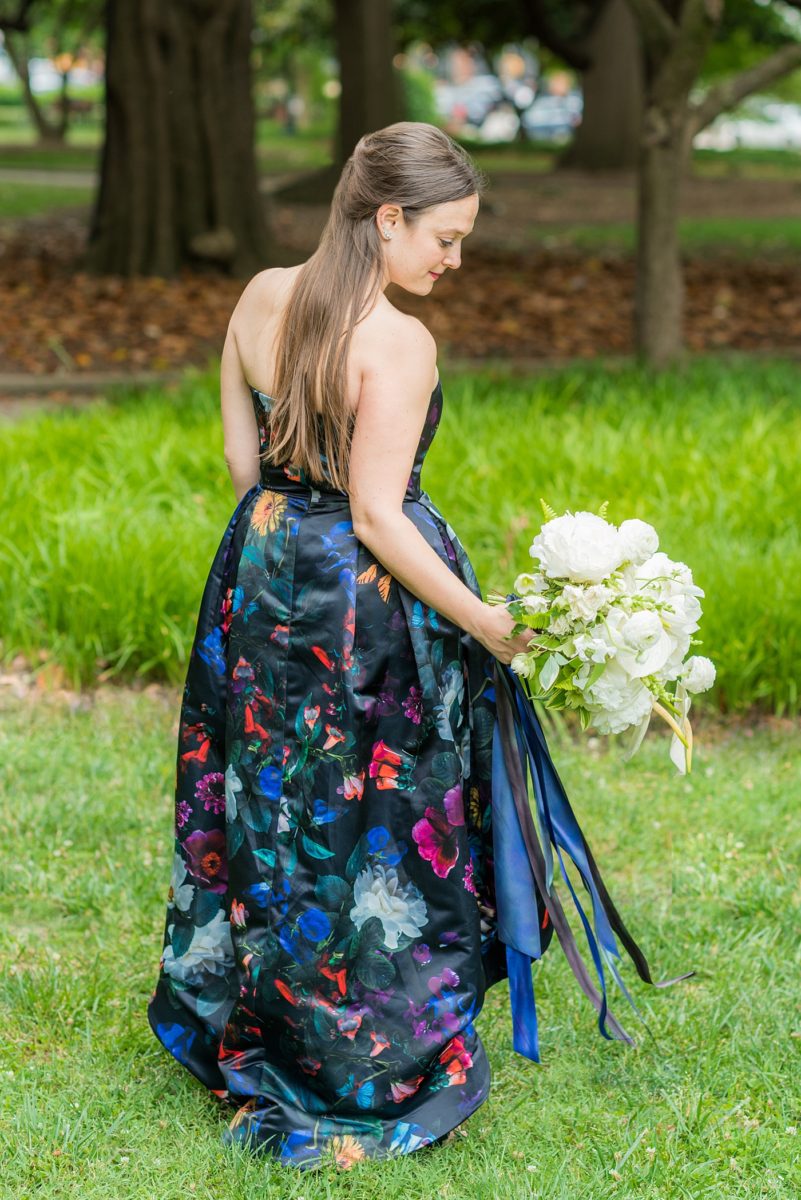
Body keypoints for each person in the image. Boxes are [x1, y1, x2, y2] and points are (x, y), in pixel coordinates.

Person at [147, 121, 686, 1172]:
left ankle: (269, 1009)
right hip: (366, 609)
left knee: (274, 802)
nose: (453, 259)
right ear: (387, 218)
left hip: (259, 585)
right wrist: (486, 623)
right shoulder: (396, 341)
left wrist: (277, 570)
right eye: (444, 237)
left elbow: (240, 462)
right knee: (373, 820)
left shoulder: (259, 295)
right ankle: (358, 1046)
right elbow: (380, 517)